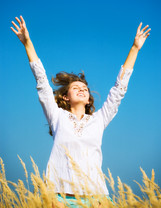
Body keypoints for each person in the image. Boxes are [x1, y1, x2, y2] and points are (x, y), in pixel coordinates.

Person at [11, 16, 150, 208]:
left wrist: (135, 48)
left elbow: (119, 90)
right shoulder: (57, 116)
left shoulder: (99, 120)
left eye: (84, 89)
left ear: (88, 99)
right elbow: (42, 82)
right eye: (76, 87)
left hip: (97, 199)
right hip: (59, 198)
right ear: (66, 97)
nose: (82, 89)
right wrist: (27, 43)